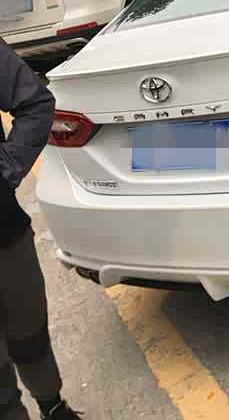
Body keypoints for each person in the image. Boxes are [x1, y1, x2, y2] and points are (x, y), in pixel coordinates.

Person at [0, 40, 81, 420]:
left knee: (28, 329)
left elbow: (34, 103)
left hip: (4, 235)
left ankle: (52, 405)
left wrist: (6, 169)